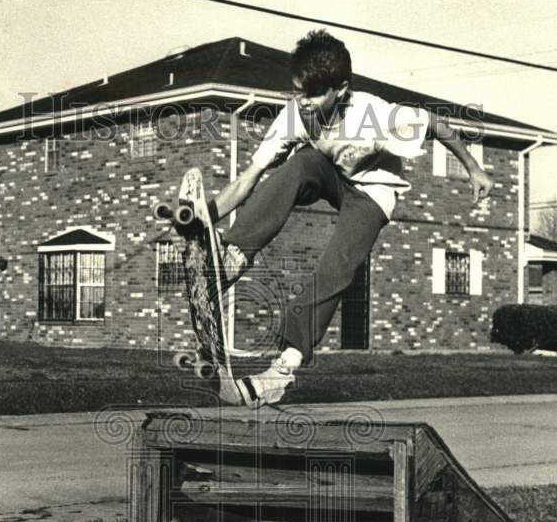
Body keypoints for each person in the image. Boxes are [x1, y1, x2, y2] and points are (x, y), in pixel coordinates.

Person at [209, 29, 492, 408]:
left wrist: (473, 168)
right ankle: (235, 256)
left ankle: (282, 370)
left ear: (340, 89)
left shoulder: (376, 115)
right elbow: (249, 178)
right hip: (331, 177)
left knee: (337, 264)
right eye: (296, 91)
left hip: (372, 193)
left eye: (312, 94)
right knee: (301, 163)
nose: (302, 103)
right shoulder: (295, 115)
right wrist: (205, 218)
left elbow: (434, 123)